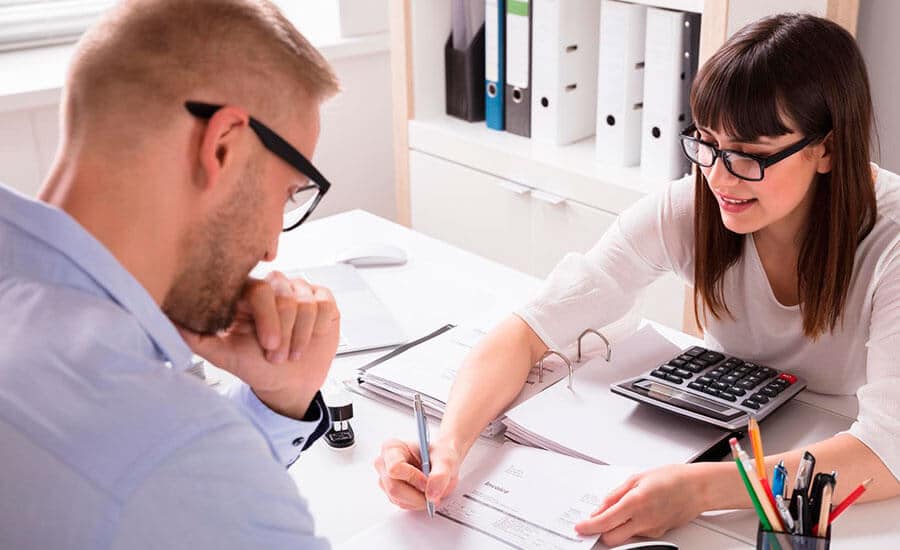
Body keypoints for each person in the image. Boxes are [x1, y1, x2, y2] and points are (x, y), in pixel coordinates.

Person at [375, 13, 900, 546]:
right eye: (707, 143)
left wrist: (698, 490)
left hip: (832, 499)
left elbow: (887, 451)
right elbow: (529, 329)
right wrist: (449, 443)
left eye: (749, 155)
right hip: (727, 446)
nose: (717, 177)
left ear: (827, 149)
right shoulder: (691, 205)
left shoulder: (893, 241)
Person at [0, 0, 342, 548]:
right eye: (287, 194)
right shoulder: (171, 452)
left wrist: (279, 401)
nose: (272, 247)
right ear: (223, 146)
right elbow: (171, 481)